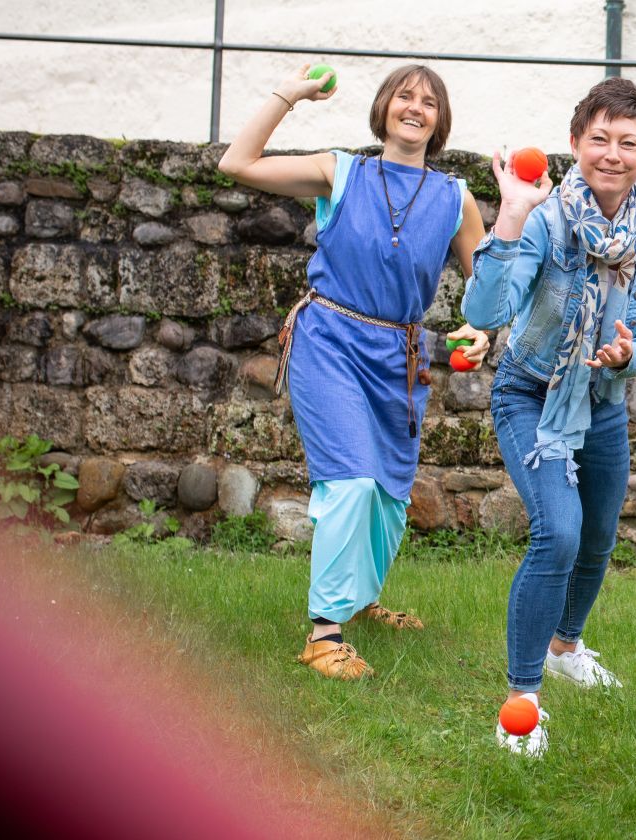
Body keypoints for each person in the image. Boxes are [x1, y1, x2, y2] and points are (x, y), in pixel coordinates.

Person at [218, 64, 491, 679]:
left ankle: (361, 601)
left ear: (440, 120)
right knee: (350, 482)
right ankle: (324, 634)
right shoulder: (340, 171)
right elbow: (236, 163)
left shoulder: (456, 198)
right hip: (330, 339)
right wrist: (290, 93)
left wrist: (480, 332)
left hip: (401, 356)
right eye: (404, 96)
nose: (415, 107)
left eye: (429, 101)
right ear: (384, 108)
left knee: (391, 492)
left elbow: (486, 289)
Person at [462, 77, 636, 757]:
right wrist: (509, 215)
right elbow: (484, 314)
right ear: (574, 143)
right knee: (557, 533)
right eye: (599, 140)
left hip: (604, 400)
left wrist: (630, 353)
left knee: (595, 538)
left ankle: (565, 646)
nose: (612, 154)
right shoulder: (545, 219)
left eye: (628, 142)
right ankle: (523, 696)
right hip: (531, 393)